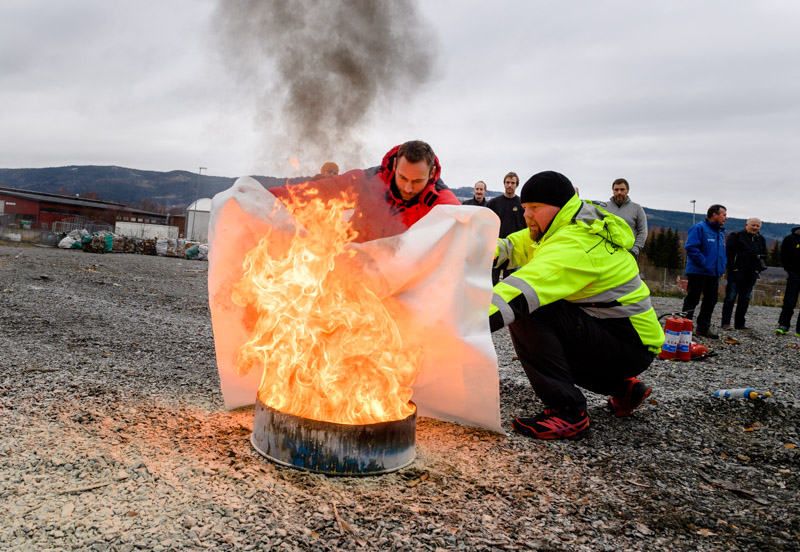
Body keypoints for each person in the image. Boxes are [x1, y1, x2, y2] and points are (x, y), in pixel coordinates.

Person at [489, 171, 664, 440]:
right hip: (627, 340)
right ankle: (624, 389)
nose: (527, 215)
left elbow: (517, 293)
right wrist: (474, 251)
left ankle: (568, 411)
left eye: (535, 208)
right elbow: (517, 245)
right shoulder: (570, 225)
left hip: (627, 345)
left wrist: (452, 322)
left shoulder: (576, 242)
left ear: (558, 207)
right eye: (525, 208)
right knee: (552, 314)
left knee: (531, 310)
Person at [270, 140, 460, 242]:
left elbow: (469, 226)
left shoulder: (440, 201)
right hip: (352, 269)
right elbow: (320, 192)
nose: (408, 188)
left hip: (399, 283)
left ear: (432, 173)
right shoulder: (369, 181)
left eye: (417, 181)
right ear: (394, 166)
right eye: (403, 178)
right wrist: (266, 197)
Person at [682, 204, 727, 339]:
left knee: (711, 300)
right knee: (692, 299)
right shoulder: (699, 228)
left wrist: (722, 265)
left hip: (713, 274)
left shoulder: (720, 233)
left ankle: (703, 328)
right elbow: (691, 247)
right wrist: (704, 263)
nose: (726, 218)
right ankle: (685, 328)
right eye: (724, 215)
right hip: (698, 272)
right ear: (715, 215)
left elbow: (721, 253)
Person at [720, 218, 767, 330]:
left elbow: (764, 254)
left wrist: (758, 269)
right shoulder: (736, 236)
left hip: (751, 274)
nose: (755, 227)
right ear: (746, 225)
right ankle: (725, 323)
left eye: (757, 226)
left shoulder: (760, 239)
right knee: (730, 297)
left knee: (745, 299)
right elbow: (729, 252)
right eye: (753, 225)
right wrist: (733, 267)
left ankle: (740, 324)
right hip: (737, 272)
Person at [487, 172, 525, 284]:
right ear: (504, 184)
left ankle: (508, 302)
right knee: (492, 281)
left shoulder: (522, 205)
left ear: (517, 185)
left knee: (510, 282)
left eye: (512, 183)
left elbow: (526, 226)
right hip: (496, 248)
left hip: (513, 248)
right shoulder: (493, 203)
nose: (510, 185)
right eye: (507, 182)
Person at [602, 178, 647, 259]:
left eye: (622, 189)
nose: (619, 192)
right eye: (616, 189)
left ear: (627, 190)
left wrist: (634, 251)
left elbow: (643, 231)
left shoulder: (637, 209)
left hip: (627, 256)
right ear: (613, 191)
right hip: (605, 255)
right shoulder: (603, 207)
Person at [776, 226, 800, 336]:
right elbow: (784, 255)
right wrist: (790, 270)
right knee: (789, 301)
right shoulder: (790, 239)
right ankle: (783, 325)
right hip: (794, 274)